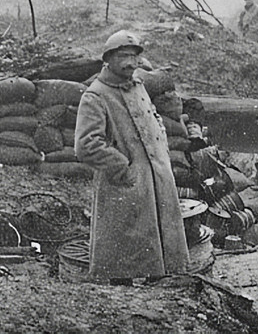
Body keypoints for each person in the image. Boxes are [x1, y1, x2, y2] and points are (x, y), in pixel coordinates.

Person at [75, 30, 189, 283]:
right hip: (123, 182)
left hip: (155, 177)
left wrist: (161, 148)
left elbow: (153, 117)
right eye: (122, 56)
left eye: (133, 56)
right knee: (123, 249)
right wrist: (122, 167)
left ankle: (158, 281)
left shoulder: (138, 85)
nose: (129, 63)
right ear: (108, 59)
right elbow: (86, 144)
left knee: (158, 242)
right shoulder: (96, 95)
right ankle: (121, 289)